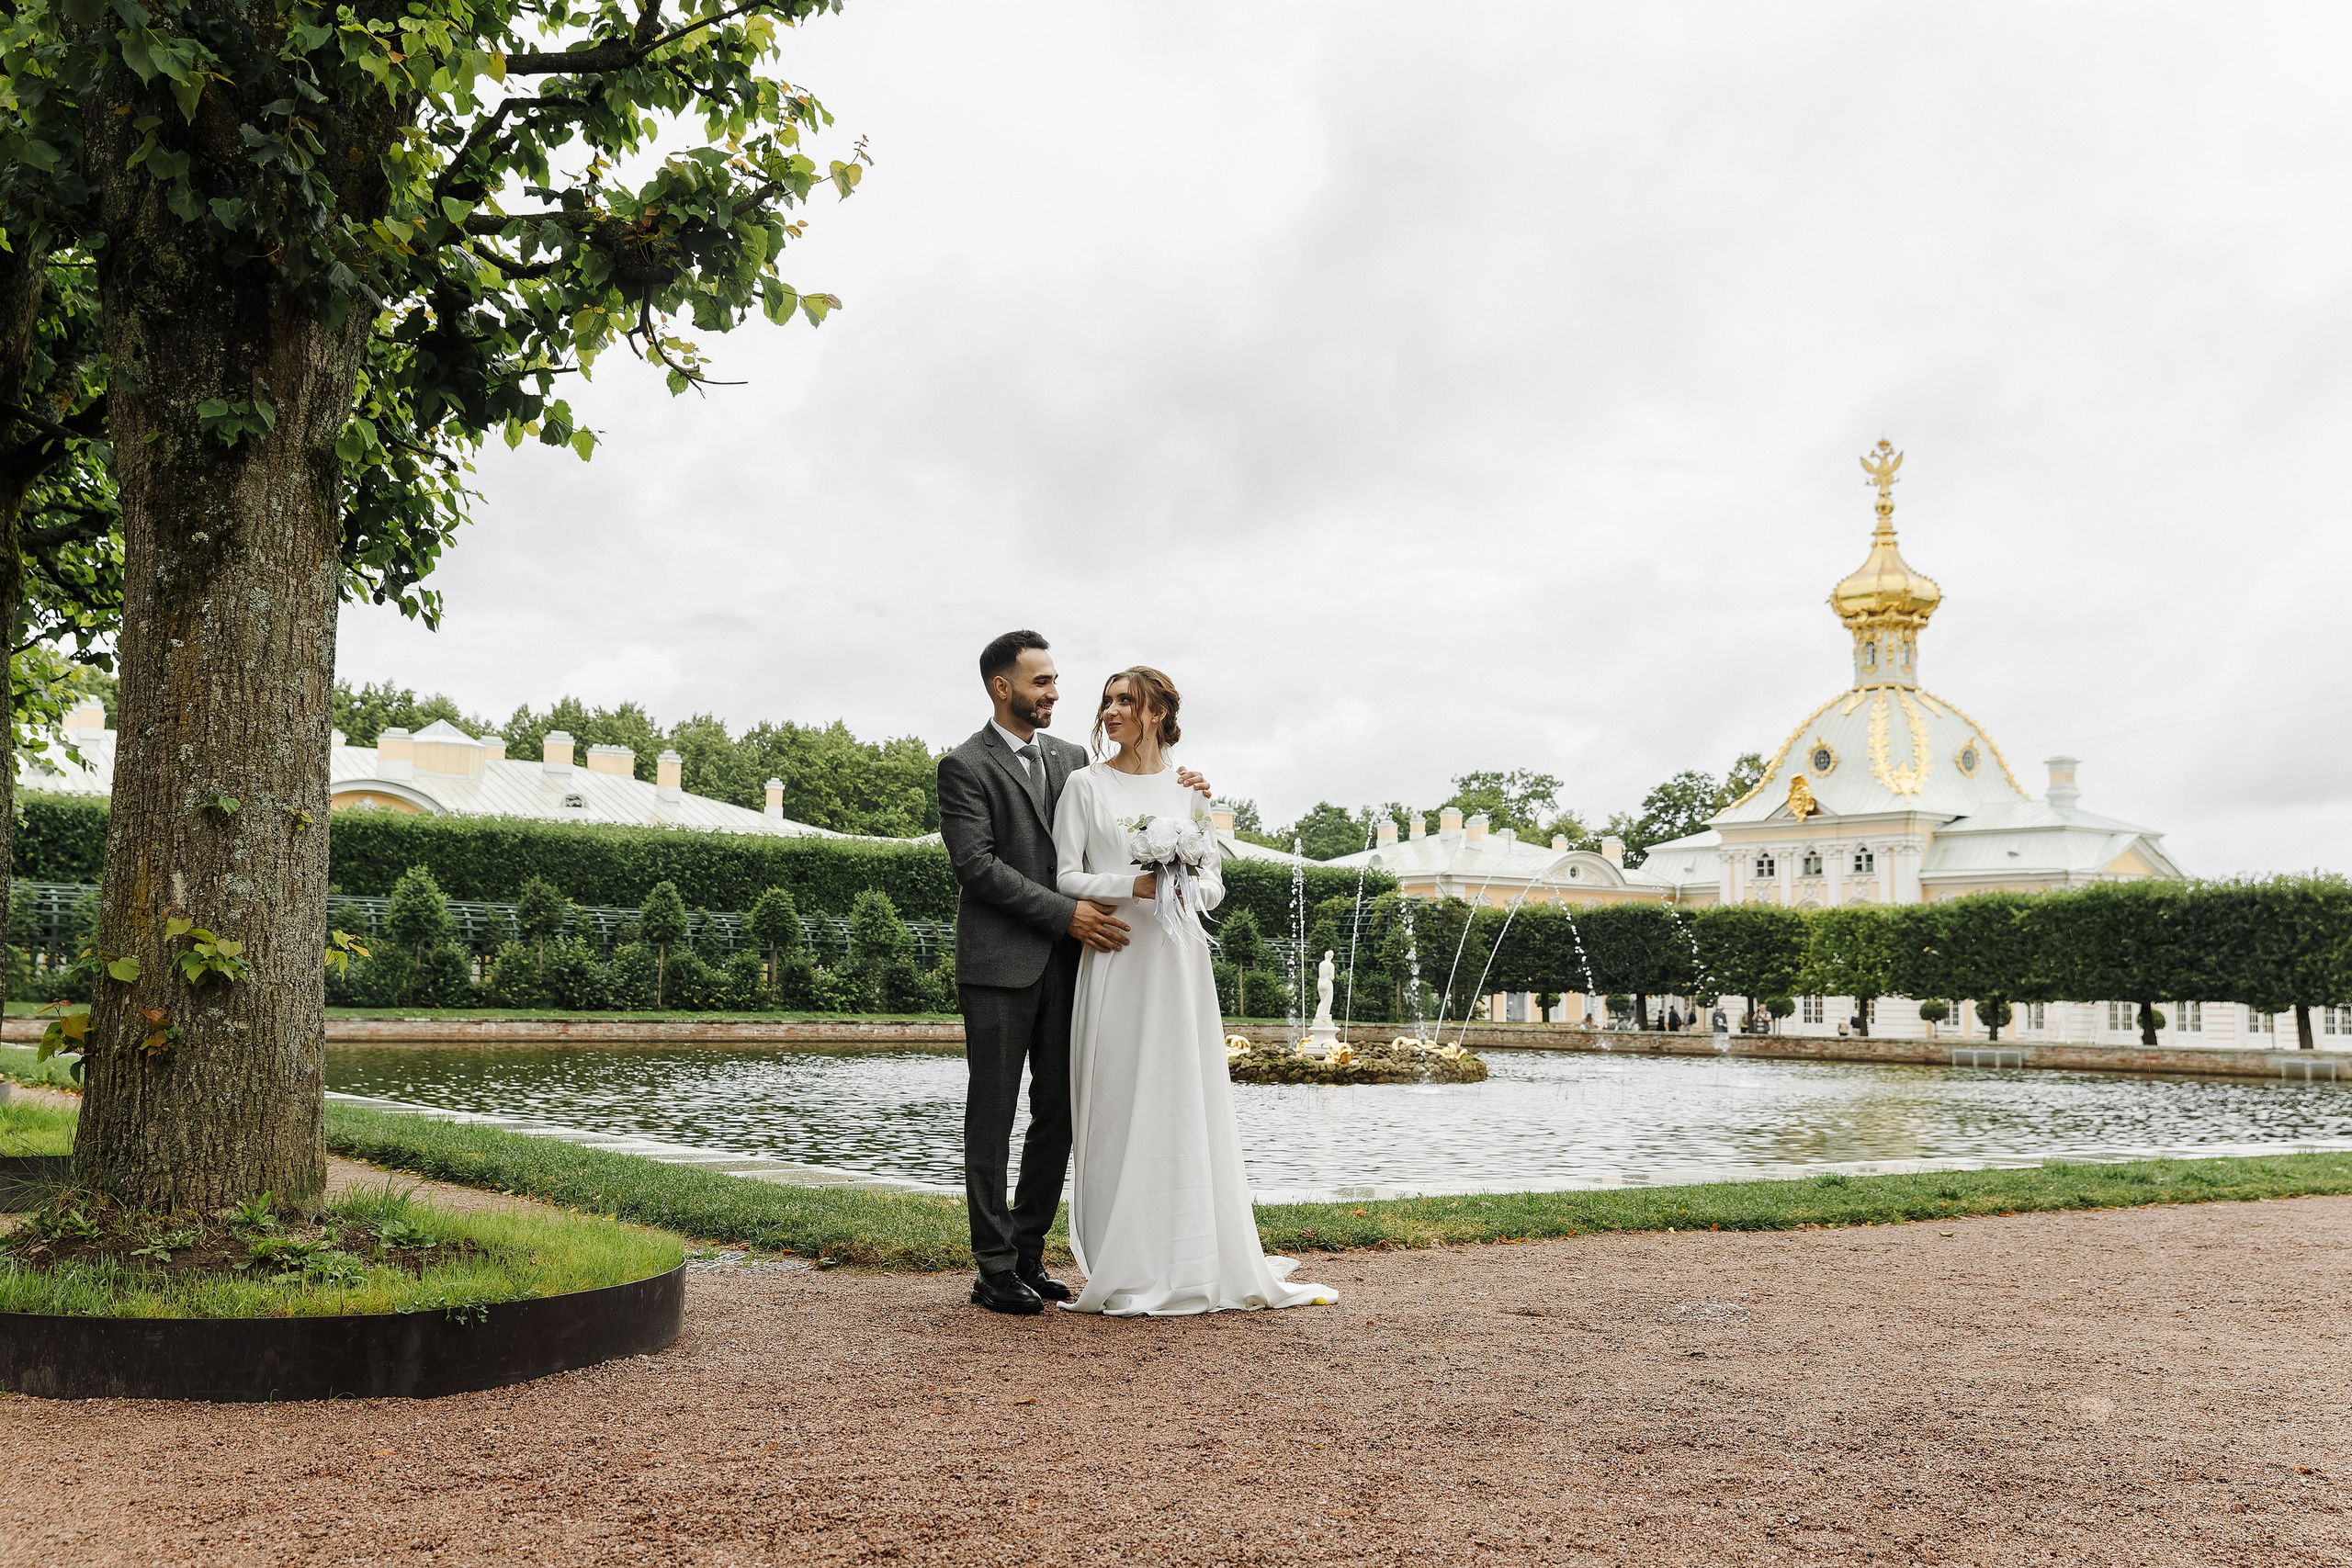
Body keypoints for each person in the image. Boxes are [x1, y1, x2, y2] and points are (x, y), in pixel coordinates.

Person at [936, 631, 1213, 1315]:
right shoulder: (964, 766)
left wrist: (1186, 788)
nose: (1056, 692)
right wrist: (1067, 915)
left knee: (1059, 1112)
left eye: (1057, 680)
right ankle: (992, 1266)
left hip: (1072, 965)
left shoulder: (1071, 761)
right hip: (1002, 965)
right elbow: (978, 867)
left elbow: (1118, 803)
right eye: (1041, 682)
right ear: (1004, 688)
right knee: (992, 1115)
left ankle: (1029, 1252)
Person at [1052, 666, 1338, 1316]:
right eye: (1107, 700)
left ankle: (1189, 1249)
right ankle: (1122, 1255)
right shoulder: (1084, 785)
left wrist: (1183, 886)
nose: (1111, 710)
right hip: (1118, 958)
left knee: (1182, 1098)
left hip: (1178, 965)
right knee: (1117, 1096)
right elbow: (1066, 875)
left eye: (1126, 700)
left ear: (1157, 711)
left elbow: (1213, 885)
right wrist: (1135, 886)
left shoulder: (1191, 791)